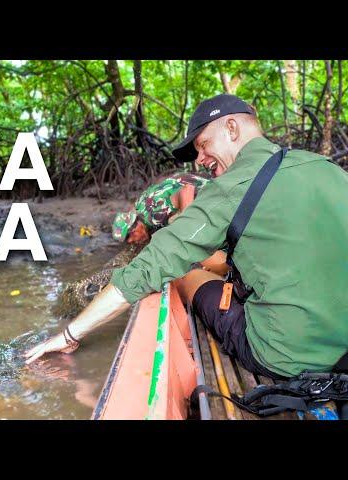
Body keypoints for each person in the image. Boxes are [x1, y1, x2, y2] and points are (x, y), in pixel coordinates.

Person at [25, 93, 348, 381]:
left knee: (184, 273)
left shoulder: (228, 189)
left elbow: (147, 269)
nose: (200, 160)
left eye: (203, 145)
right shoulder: (327, 168)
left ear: (232, 129)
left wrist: (69, 334)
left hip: (287, 355)